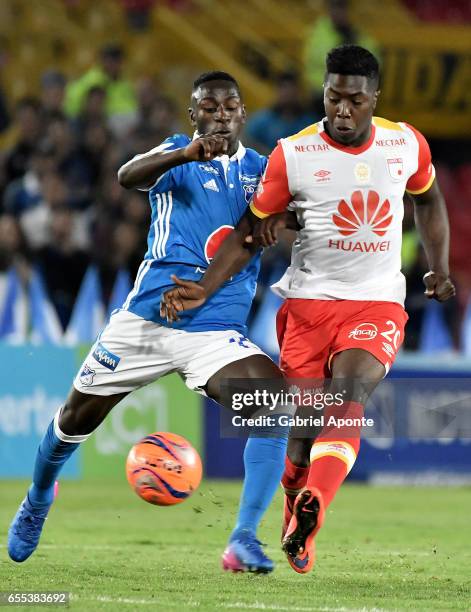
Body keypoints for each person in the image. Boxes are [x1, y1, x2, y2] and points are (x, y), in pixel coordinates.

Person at [161, 46, 456, 573]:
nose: (342, 111)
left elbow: (428, 200)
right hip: (307, 308)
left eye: (355, 101)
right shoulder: (293, 155)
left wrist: (438, 267)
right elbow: (251, 233)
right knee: (299, 435)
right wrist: (206, 287)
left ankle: (314, 507)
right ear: (324, 92)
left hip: (376, 302)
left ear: (374, 99)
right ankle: (297, 503)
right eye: (333, 98)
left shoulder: (404, 143)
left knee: (351, 390)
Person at [7, 71, 291, 574]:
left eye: (229, 106)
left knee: (275, 407)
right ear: (194, 115)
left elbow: (295, 218)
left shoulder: (265, 173)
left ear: (243, 114)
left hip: (214, 334)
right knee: (74, 421)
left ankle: (243, 538)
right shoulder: (179, 153)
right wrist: (183, 154)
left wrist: (282, 223)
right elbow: (126, 176)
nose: (220, 115)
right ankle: (38, 496)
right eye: (209, 107)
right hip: (146, 322)